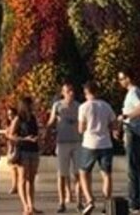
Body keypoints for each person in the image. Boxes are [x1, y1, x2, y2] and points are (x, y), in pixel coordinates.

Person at [77, 80, 116, 215]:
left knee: (84, 172)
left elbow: (81, 128)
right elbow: (113, 125)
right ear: (97, 91)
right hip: (105, 143)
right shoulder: (106, 106)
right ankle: (107, 203)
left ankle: (89, 200)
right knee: (106, 174)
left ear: (86, 92)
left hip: (90, 143)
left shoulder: (83, 107)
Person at [117, 70, 140, 213]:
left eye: (121, 79)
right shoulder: (135, 92)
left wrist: (125, 116)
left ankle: (135, 203)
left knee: (133, 169)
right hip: (139, 133)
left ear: (128, 78)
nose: (120, 82)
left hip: (134, 133)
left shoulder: (133, 93)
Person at [49, 82, 82, 213]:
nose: (71, 93)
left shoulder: (79, 106)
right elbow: (51, 121)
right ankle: (61, 202)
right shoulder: (57, 106)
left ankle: (79, 201)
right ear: (63, 93)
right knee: (62, 174)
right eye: (68, 91)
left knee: (78, 174)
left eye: (72, 90)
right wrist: (47, 129)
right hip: (62, 143)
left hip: (77, 142)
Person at [8, 95, 41, 215]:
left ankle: (31, 205)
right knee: (22, 179)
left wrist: (39, 136)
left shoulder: (33, 117)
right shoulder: (18, 118)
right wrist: (24, 138)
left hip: (34, 149)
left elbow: (36, 131)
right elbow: (10, 135)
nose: (33, 105)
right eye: (31, 104)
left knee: (31, 179)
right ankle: (25, 206)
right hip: (23, 150)